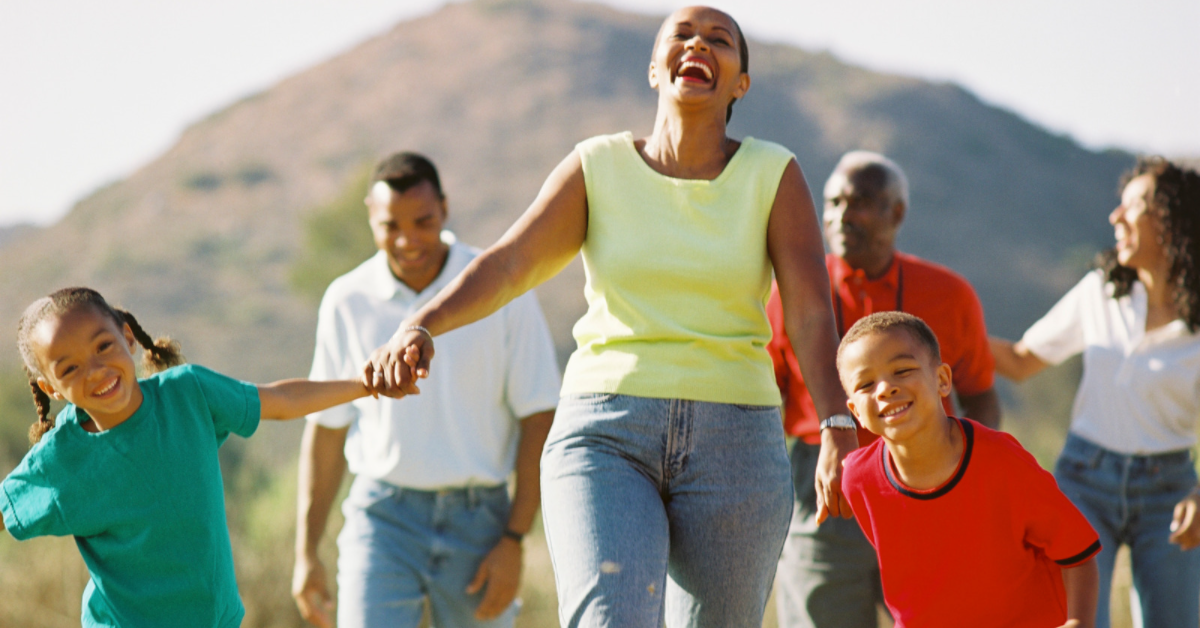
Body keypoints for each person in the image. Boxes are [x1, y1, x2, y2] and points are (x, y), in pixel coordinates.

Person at [360, 6, 853, 627]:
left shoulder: (773, 174)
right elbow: (510, 264)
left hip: (737, 441)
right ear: (654, 68)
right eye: (680, 36)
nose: (697, 44)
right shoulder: (598, 166)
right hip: (606, 431)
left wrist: (836, 418)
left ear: (740, 84)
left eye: (719, 40)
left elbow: (810, 314)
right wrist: (420, 323)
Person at [290, 152, 560, 628]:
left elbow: (539, 415)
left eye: (423, 221)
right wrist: (306, 553)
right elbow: (327, 432)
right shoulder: (346, 300)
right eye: (390, 225)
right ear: (370, 219)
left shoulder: (499, 286)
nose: (407, 239)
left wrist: (515, 539)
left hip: (482, 524)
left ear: (445, 209)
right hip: (382, 519)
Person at [1, 287, 367, 628]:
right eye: (69, 369)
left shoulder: (188, 395)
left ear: (127, 337)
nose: (96, 371)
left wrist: (368, 385)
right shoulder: (59, 463)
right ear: (50, 387)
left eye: (103, 347)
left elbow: (281, 402)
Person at [769, 150, 1000, 627]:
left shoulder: (949, 294)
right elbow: (766, 398)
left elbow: (980, 394)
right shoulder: (790, 292)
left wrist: (967, 476)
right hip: (824, 490)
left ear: (898, 212)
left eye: (861, 202)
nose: (841, 216)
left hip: (930, 486)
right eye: (832, 203)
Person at [990, 157, 1200, 628]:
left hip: (1171, 494)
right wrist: (940, 332)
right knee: (1074, 620)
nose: (1116, 217)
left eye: (1135, 206)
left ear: (1176, 220)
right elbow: (1021, 362)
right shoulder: (1102, 292)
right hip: (1084, 482)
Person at [838, 311, 1100, 628]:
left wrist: (1079, 623)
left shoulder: (1003, 460)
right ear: (855, 413)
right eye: (866, 384)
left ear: (943, 380)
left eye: (902, 370)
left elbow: (1078, 553)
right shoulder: (857, 478)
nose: (884, 389)